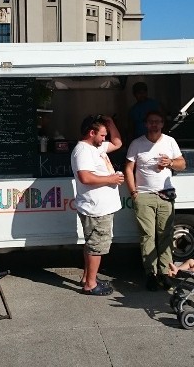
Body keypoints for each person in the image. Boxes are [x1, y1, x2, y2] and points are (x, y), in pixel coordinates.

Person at [124, 110, 186, 291]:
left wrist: (171, 163)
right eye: (151, 122)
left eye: (157, 122)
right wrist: (133, 192)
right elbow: (128, 168)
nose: (154, 125)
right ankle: (150, 274)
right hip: (143, 195)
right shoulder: (137, 144)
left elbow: (182, 164)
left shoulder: (169, 142)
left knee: (165, 235)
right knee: (147, 236)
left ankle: (165, 273)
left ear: (162, 124)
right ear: (146, 124)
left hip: (166, 194)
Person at [71, 114, 124, 296]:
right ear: (91, 132)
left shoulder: (96, 147)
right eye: (102, 135)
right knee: (96, 246)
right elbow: (85, 177)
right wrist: (111, 178)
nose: (104, 139)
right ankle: (91, 285)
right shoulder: (83, 150)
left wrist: (110, 121)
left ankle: (88, 278)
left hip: (100, 207)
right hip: (95, 208)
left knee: (92, 244)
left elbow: (117, 143)